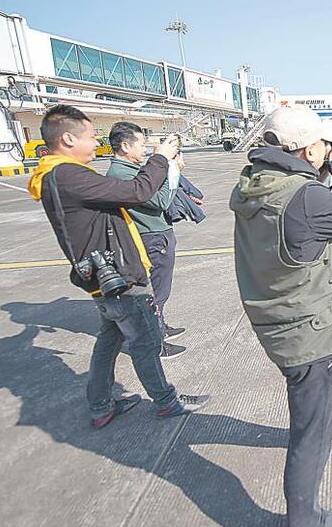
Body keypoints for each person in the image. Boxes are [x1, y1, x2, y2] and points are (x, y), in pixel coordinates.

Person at [231, 107, 332, 527]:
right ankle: (306, 523)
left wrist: (320, 166)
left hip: (280, 318)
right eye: (322, 142)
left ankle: (328, 409)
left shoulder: (258, 183)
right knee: (310, 435)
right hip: (310, 333)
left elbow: (303, 217)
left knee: (318, 404)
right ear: (308, 147)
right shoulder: (305, 195)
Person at [27, 105, 210, 429]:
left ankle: (100, 405)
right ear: (68, 138)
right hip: (119, 276)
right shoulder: (69, 175)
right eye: (89, 136)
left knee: (109, 340)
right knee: (145, 341)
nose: (96, 143)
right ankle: (167, 402)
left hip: (101, 276)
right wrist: (161, 158)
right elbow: (137, 191)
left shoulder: (53, 175)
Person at [105, 122, 186, 360]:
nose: (145, 150)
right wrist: (172, 168)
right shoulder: (122, 173)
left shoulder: (129, 170)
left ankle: (160, 327)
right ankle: (156, 341)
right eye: (141, 144)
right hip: (151, 237)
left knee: (161, 288)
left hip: (155, 234)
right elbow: (160, 200)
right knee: (156, 292)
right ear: (125, 145)